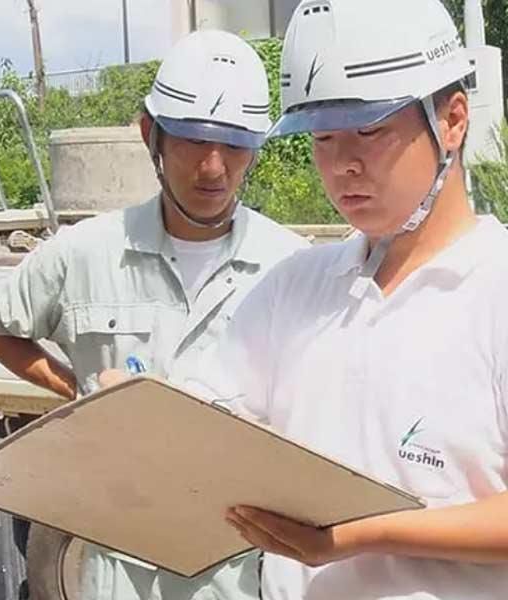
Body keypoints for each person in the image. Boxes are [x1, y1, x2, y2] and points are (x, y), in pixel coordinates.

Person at [0, 29, 308, 600]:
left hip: (237, 572)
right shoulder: (86, 254)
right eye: (193, 141)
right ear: (152, 135)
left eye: (235, 145)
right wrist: (75, 389)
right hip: (119, 571)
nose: (214, 168)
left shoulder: (291, 266)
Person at [181, 1, 508, 598]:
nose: (342, 165)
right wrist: (141, 413)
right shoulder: (293, 289)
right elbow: (208, 418)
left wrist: (359, 535)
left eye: (370, 131)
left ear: (453, 120)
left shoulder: (495, 290)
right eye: (324, 138)